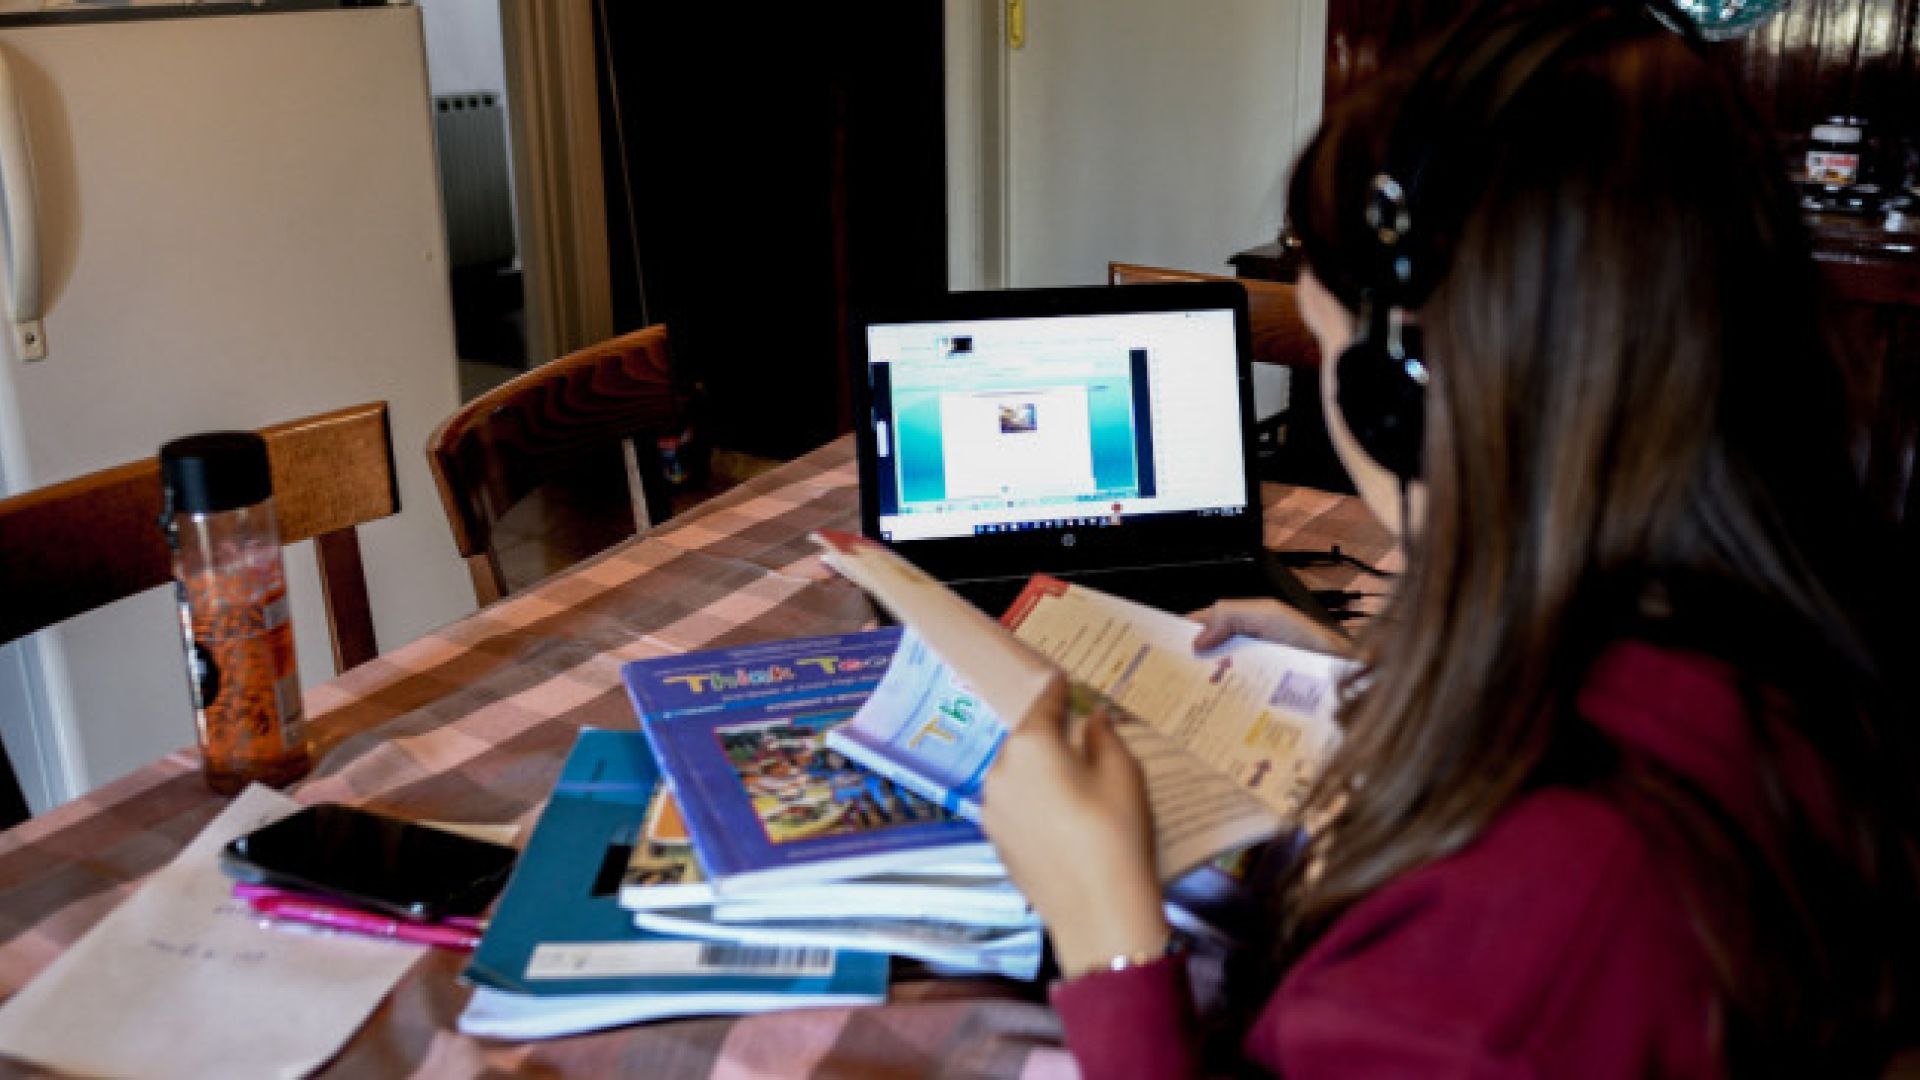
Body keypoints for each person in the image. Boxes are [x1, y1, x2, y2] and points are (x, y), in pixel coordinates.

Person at [977, 1, 1920, 1076]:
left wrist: (1107, 926)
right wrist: (1385, 684)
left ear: (1406, 399)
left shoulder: (1528, 934)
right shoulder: (1762, 645)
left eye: (1329, 344)